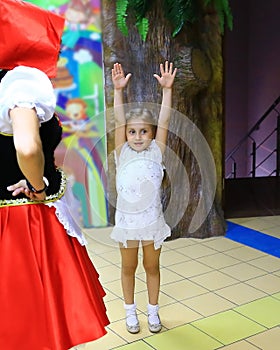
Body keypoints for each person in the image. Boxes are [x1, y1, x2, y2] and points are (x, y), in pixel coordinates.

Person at [0, 2, 109, 349]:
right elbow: (29, 147)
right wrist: (37, 184)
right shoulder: (21, 80)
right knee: (34, 321)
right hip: (23, 220)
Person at [111, 61, 177, 334]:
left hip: (152, 222)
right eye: (132, 131)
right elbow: (118, 119)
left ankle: (153, 312)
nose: (138, 137)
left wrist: (167, 90)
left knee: (152, 266)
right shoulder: (122, 153)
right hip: (128, 222)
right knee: (129, 267)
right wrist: (118, 92)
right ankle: (130, 313)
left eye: (144, 131)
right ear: (126, 134)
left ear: (151, 134)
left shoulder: (156, 153)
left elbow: (164, 120)